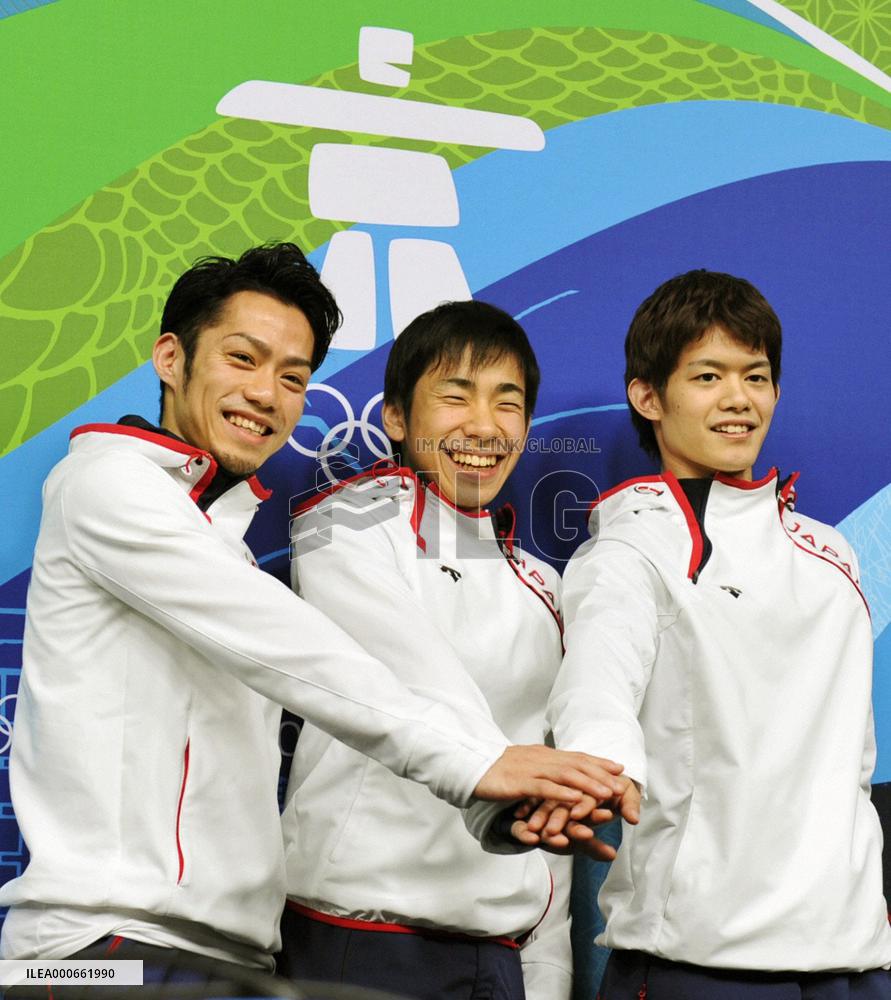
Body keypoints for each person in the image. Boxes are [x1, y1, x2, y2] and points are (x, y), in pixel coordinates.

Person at [0, 244, 628, 977]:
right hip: (102, 951)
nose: (266, 393)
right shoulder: (107, 485)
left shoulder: (218, 532)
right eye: (243, 358)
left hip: (223, 954)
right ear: (171, 358)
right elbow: (298, 652)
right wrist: (480, 765)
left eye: (292, 377)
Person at [527, 269, 891, 998]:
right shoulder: (628, 550)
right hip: (699, 959)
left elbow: (849, 762)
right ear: (648, 397)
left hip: (851, 960)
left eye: (755, 376)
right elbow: (598, 685)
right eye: (707, 375)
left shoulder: (831, 555)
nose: (737, 399)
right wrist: (598, 766)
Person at [279, 301, 631, 1000]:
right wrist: (502, 781)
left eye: (507, 402)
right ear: (397, 418)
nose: (483, 425)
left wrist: (548, 976)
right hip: (358, 943)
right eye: (455, 395)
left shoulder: (545, 587)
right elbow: (420, 683)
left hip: (500, 959)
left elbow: (546, 803)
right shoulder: (347, 523)